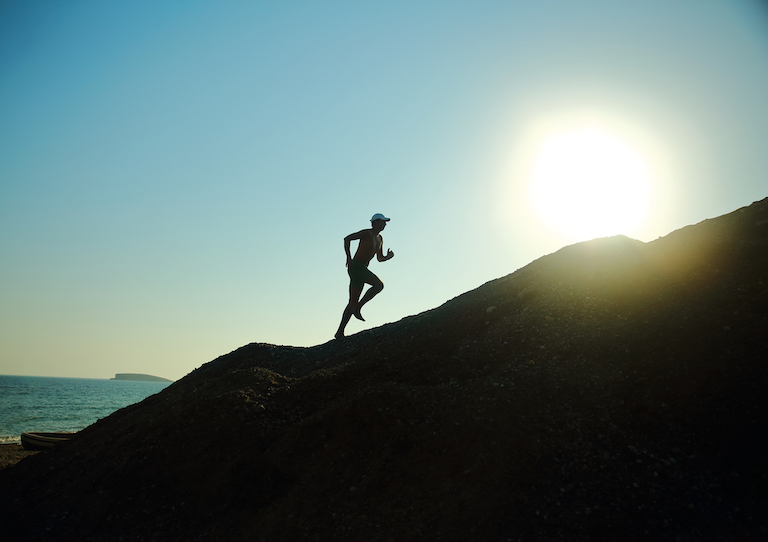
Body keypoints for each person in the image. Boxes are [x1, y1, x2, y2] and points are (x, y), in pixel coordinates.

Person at [335, 213, 395, 340]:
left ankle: (339, 332)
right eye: (383, 222)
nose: (385, 224)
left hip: (362, 269)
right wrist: (349, 258)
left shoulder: (380, 238)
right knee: (378, 285)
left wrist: (388, 257)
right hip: (356, 267)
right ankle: (358, 307)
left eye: (385, 222)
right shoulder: (366, 233)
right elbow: (347, 239)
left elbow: (380, 258)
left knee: (352, 301)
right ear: (375, 222)